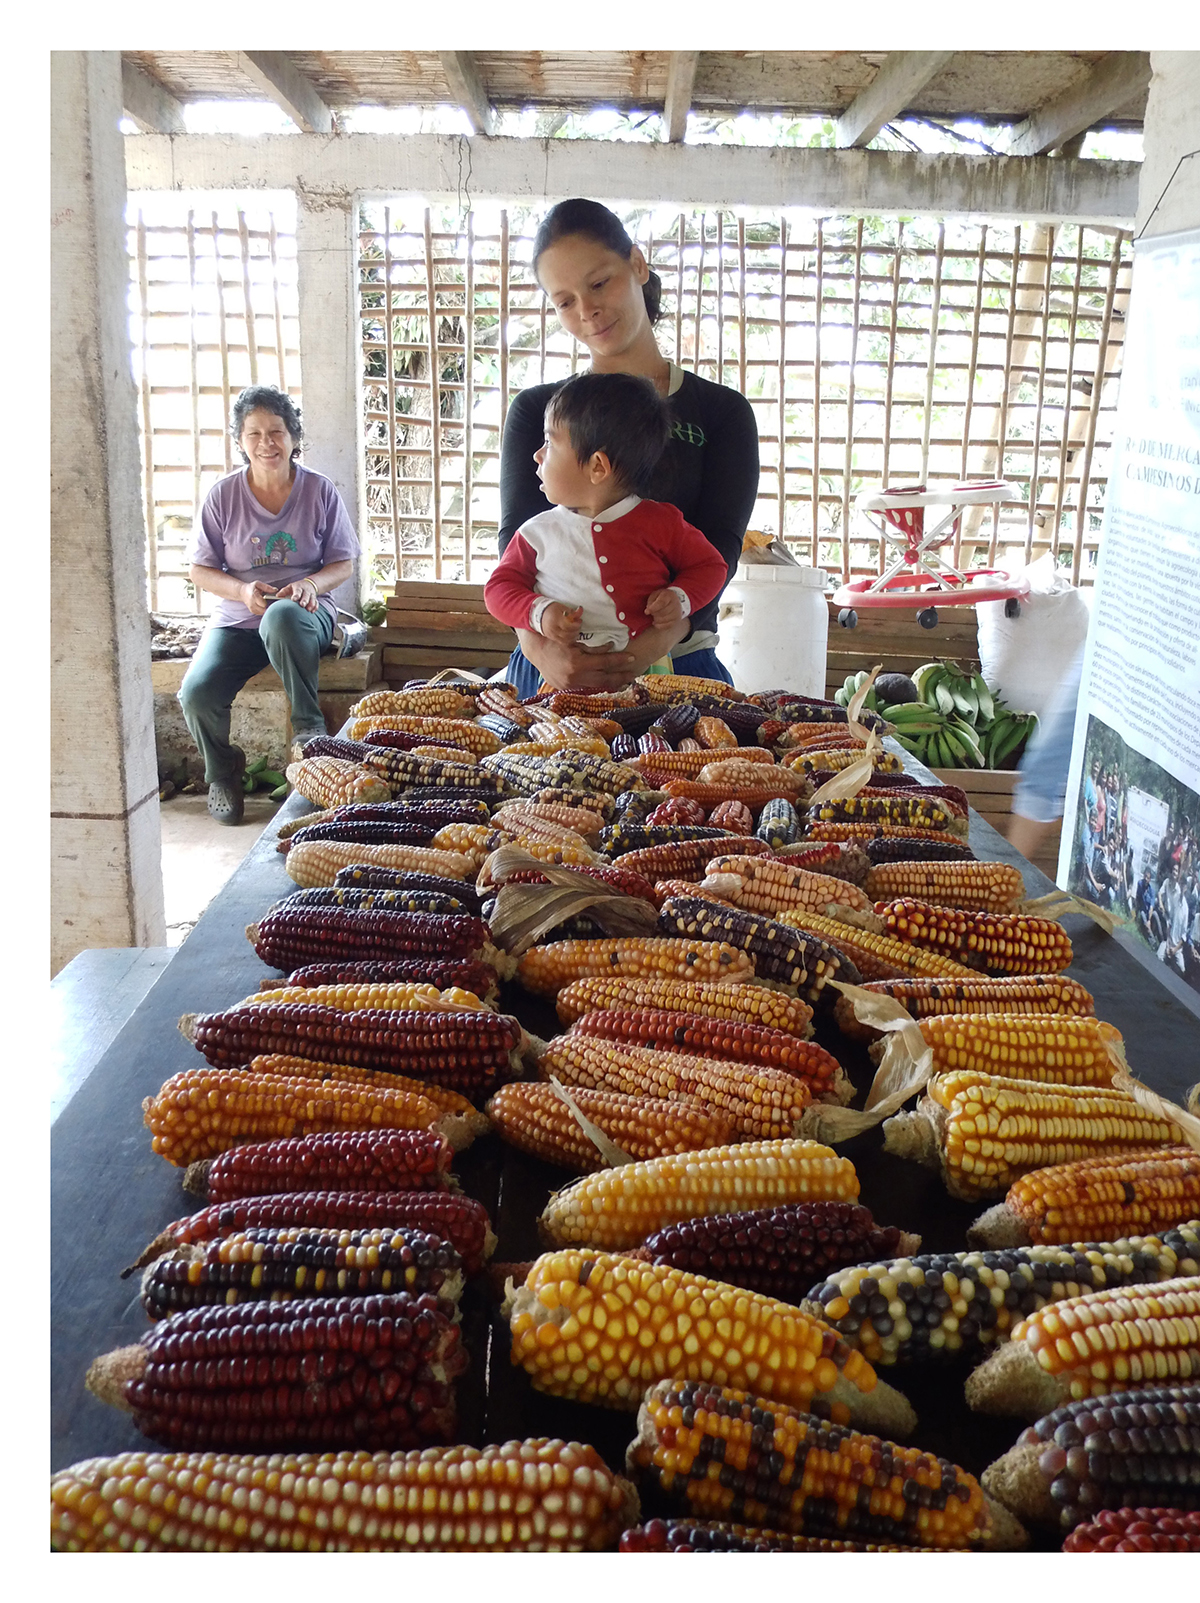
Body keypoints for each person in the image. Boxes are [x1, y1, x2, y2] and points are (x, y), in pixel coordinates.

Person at [496, 198, 760, 698]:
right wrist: (542, 650)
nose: (587, 310)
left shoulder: (721, 412)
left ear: (637, 265)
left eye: (599, 284)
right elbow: (517, 545)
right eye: (564, 301)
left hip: (679, 667)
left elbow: (720, 550)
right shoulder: (538, 412)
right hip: (551, 666)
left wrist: (644, 651)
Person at [178, 385, 358, 825]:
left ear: (293, 437)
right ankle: (222, 772)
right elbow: (199, 569)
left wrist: (311, 585)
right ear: (240, 441)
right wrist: (241, 592)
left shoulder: (319, 492)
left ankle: (308, 729)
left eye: (276, 431)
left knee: (281, 616)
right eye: (254, 433)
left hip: (303, 619)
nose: (267, 443)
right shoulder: (222, 496)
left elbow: (343, 563)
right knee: (196, 694)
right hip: (239, 622)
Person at [483, 372, 728, 678]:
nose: (537, 455)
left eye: (549, 442)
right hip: (557, 682)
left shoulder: (662, 523)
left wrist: (681, 597)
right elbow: (498, 589)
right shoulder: (536, 534)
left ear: (598, 466)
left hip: (648, 675)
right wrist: (539, 612)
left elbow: (711, 566)